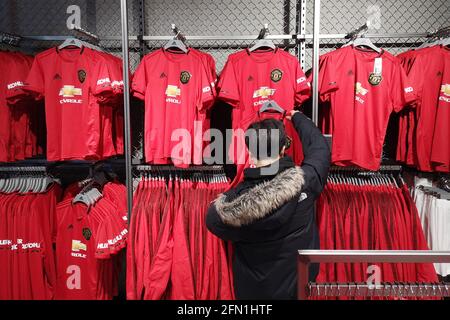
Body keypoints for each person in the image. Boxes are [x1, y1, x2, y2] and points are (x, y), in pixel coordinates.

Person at [206, 110, 331, 299]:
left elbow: (213, 219)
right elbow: (319, 148)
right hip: (299, 290)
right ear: (283, 149)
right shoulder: (307, 180)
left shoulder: (232, 205)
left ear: (249, 152)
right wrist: (298, 117)